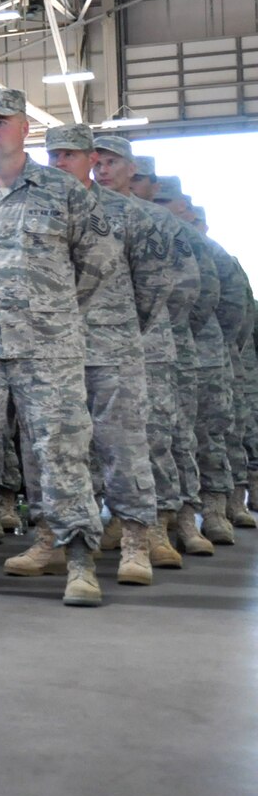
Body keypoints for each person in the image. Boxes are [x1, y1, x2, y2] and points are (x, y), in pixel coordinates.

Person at [0, 88, 113, 606]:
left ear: (25, 127)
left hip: (48, 350)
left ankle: (78, 561)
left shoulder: (64, 192)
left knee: (62, 453)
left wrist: (52, 309)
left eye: (0, 121)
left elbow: (97, 262)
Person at [42, 125, 167, 586]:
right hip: (52, 349)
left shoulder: (127, 213)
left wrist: (123, 327)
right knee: (57, 449)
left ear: (91, 158)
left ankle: (136, 541)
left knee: (124, 447)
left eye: (69, 154)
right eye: (53, 155)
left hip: (112, 348)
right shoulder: (38, 207)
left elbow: (154, 285)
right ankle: (55, 537)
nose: (59, 163)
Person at [91, 138, 198, 569]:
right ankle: (112, 520)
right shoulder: (79, 212)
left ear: (131, 168)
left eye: (112, 161)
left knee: (152, 437)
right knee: (94, 442)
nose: (102, 169)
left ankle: (159, 524)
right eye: (97, 161)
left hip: (146, 343)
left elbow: (185, 287)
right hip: (85, 345)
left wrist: (137, 324)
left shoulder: (156, 220)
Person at [152, 179, 247, 547]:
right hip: (144, 346)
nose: (158, 204)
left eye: (165, 199)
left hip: (199, 350)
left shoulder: (205, 248)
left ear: (181, 206)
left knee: (205, 434)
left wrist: (186, 332)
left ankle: (211, 509)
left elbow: (225, 303)